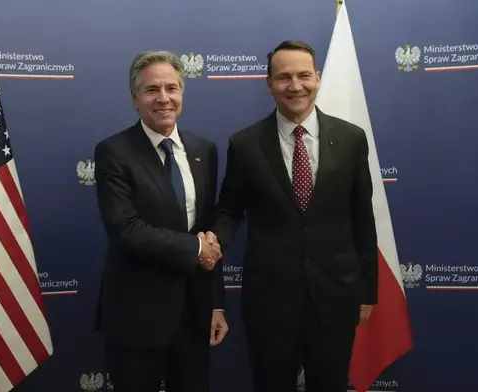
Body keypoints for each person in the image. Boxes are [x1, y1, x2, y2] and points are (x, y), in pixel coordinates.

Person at [206, 40, 378, 392]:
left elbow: (363, 217)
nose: (295, 86)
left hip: (335, 295)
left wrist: (367, 291)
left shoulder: (351, 138)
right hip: (270, 298)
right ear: (269, 84)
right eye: (283, 77)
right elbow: (229, 210)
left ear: (317, 78)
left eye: (303, 76)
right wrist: (214, 239)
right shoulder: (245, 144)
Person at [93, 50, 228, 392]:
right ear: (135, 98)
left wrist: (215, 303)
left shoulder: (204, 149)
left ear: (182, 93)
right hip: (137, 315)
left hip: (194, 314)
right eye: (152, 89)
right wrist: (196, 246)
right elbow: (125, 228)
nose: (164, 98)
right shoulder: (114, 151)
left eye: (172, 88)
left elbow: (208, 228)